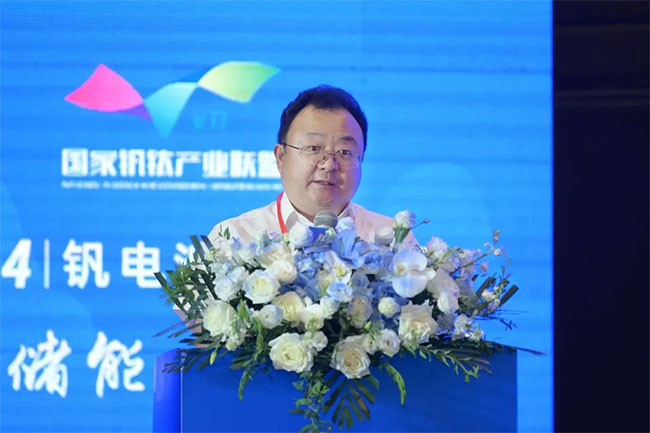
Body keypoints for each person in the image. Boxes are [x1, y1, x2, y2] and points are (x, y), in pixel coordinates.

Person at [208, 85, 414, 245]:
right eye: (313, 148)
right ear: (281, 157)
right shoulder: (233, 238)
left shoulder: (393, 240)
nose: (329, 165)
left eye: (344, 152)